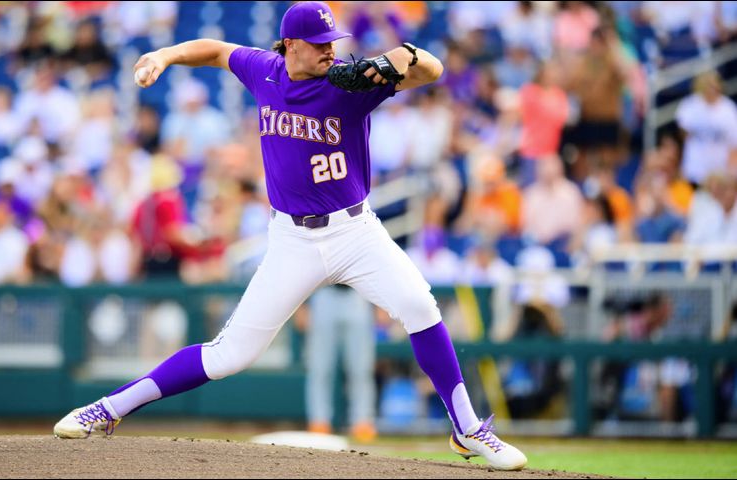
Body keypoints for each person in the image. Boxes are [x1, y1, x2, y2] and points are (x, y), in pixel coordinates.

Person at [53, 2, 527, 471]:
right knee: (229, 355)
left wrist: (397, 57)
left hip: (355, 230)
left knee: (421, 306)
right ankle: (109, 409)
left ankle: (466, 428)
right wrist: (166, 55)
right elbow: (217, 50)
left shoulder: (349, 82)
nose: (329, 51)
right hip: (292, 240)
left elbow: (433, 70)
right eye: (320, 44)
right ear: (291, 45)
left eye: (332, 43)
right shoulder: (264, 70)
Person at [295, 284, 377, 443]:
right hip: (324, 293)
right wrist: (301, 306)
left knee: (361, 368)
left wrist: (381, 304)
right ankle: (319, 421)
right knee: (320, 367)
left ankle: (362, 422)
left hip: (357, 294)